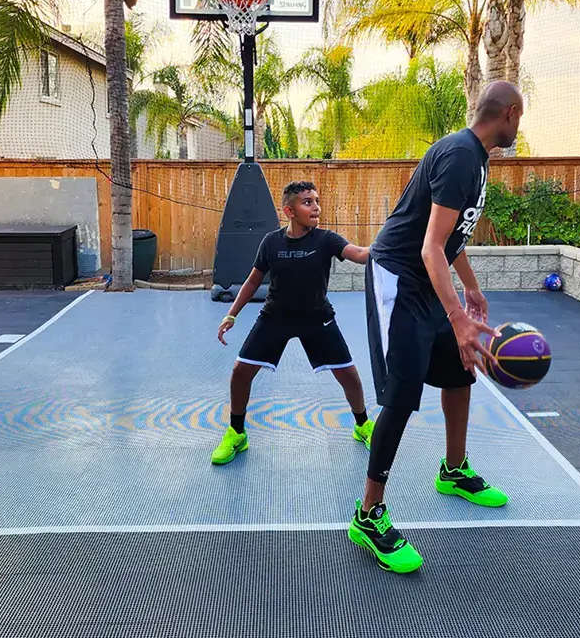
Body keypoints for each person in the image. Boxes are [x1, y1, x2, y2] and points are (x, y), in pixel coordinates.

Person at [348, 82, 524, 574]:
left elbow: (451, 240)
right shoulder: (461, 155)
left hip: (433, 280)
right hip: (400, 278)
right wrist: (458, 317)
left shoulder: (477, 159)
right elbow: (428, 247)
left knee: (459, 374)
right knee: (402, 395)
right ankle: (368, 515)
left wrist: (471, 290)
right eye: (520, 118)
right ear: (509, 113)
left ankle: (452, 468)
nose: (519, 127)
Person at [213, 180, 374, 464]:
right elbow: (253, 279)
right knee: (240, 371)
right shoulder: (271, 242)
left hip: (317, 318)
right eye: (307, 202)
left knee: (349, 375)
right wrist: (231, 314)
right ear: (289, 210)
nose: (315, 207)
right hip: (275, 317)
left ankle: (362, 425)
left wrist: (390, 245)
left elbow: (360, 255)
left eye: (316, 200)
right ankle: (237, 433)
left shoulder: (326, 239)